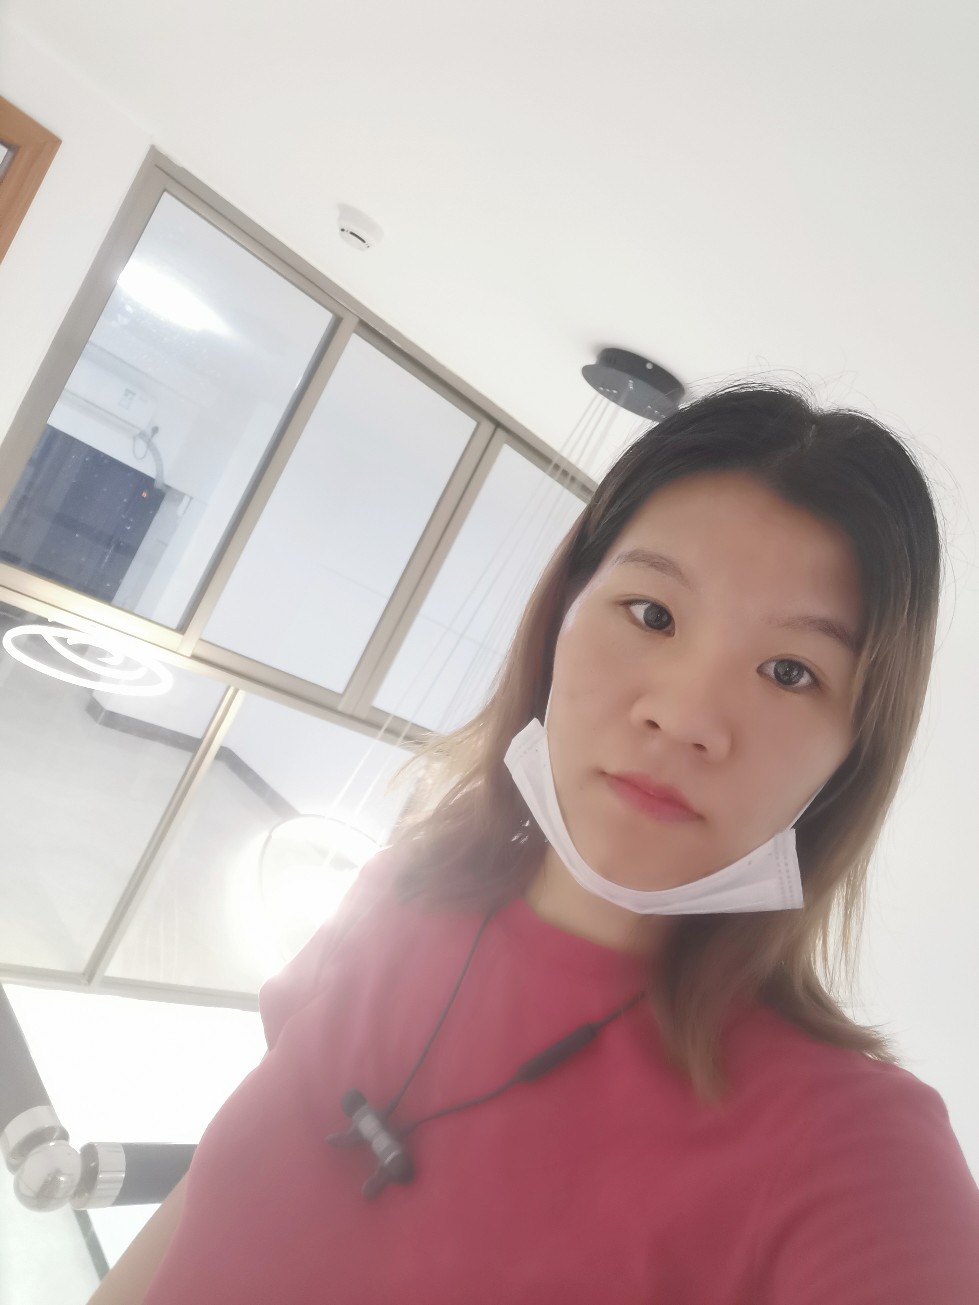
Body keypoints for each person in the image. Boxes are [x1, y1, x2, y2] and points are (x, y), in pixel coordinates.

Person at [90, 386, 979, 1303]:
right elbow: (211, 1197)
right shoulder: (394, 893)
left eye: (789, 671)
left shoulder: (855, 1151)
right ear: (560, 612)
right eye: (652, 613)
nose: (683, 716)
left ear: (850, 754)